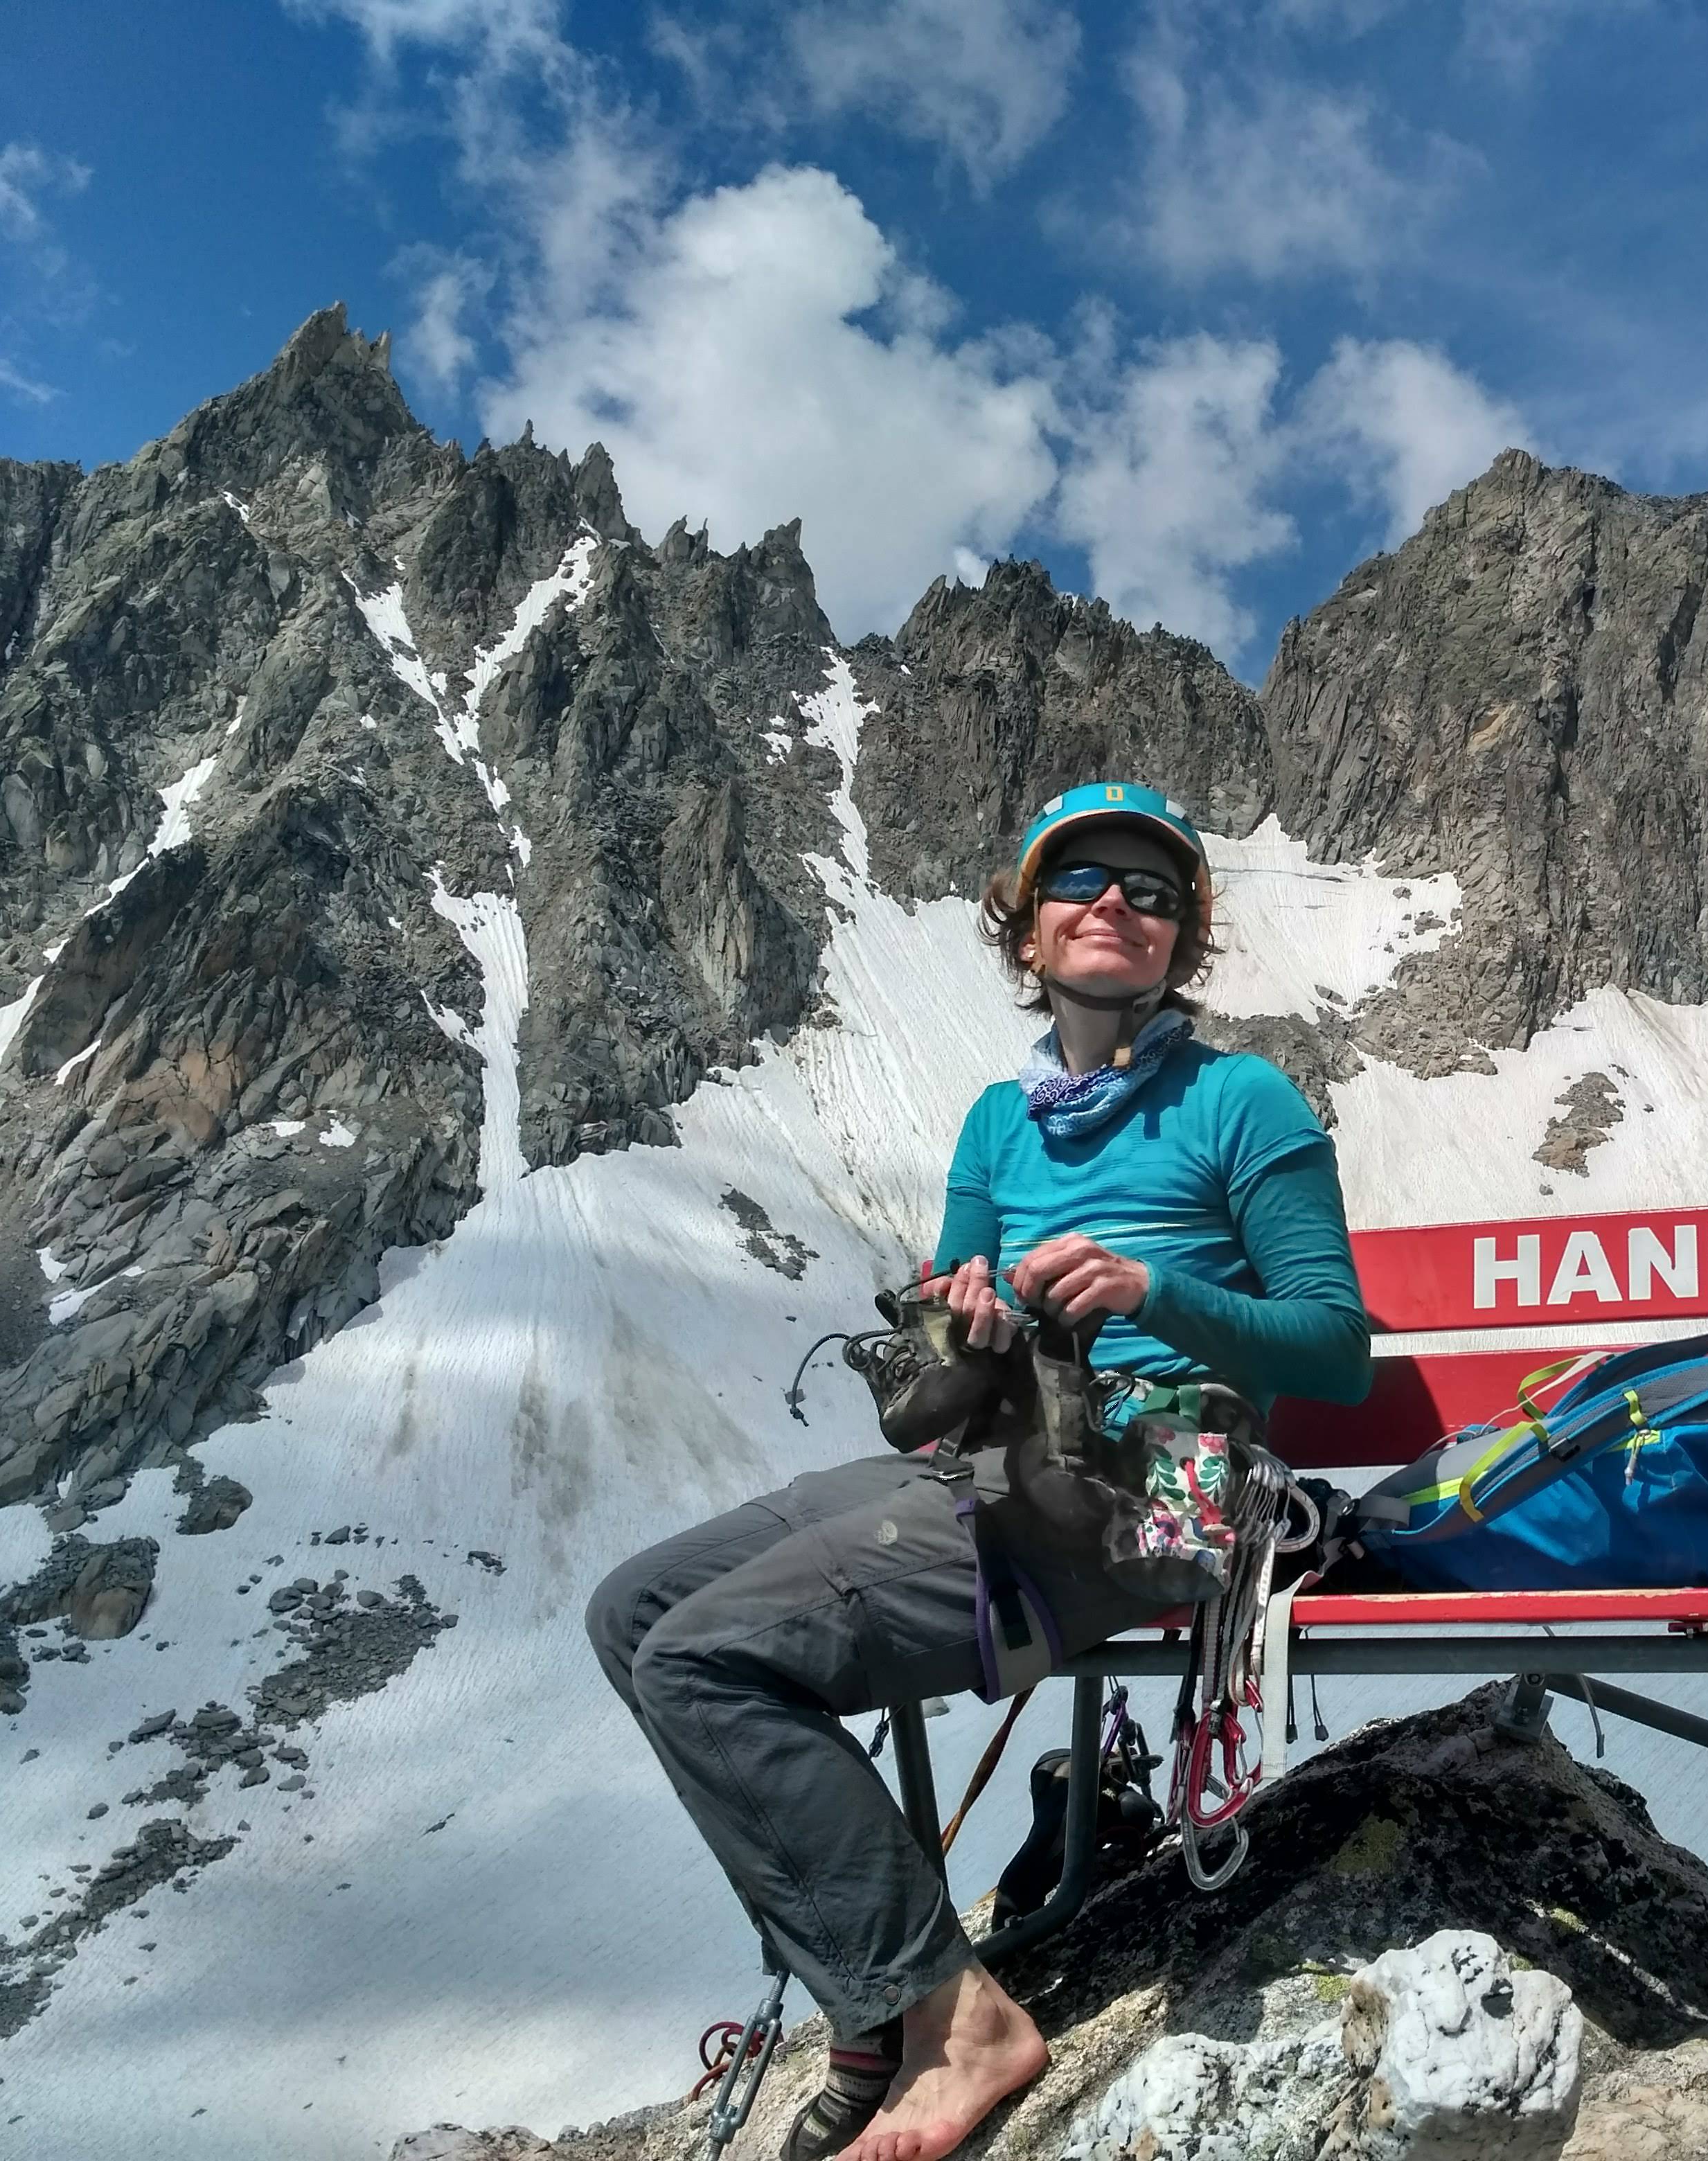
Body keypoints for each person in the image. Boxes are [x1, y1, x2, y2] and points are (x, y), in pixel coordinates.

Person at [585, 782, 1373, 2161]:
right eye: (1082, 880)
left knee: (703, 1662)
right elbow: (936, 1374)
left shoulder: (1242, 1098)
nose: (1116, 902)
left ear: (1182, 940)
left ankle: (953, 2026)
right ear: (1027, 931)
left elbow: (1337, 1348)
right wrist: (969, 1320)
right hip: (1006, 1464)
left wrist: (1152, 1288)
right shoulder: (998, 1125)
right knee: (632, 1613)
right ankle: (874, 2010)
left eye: (1152, 890)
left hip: (1172, 1491)